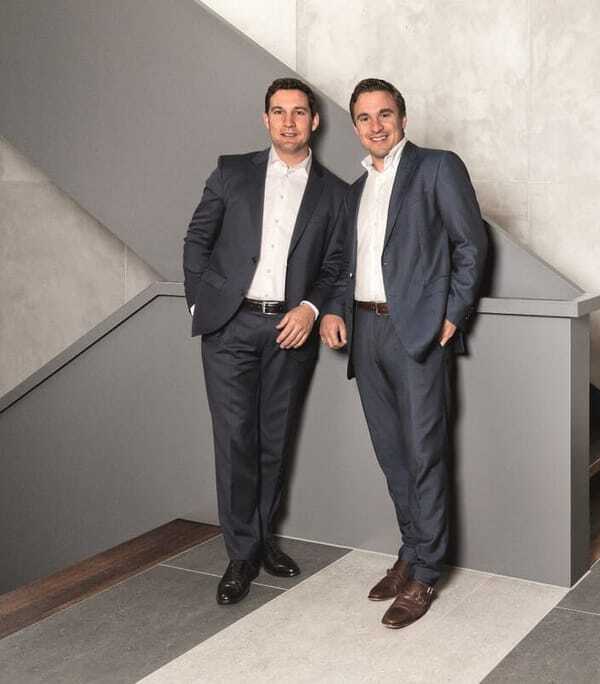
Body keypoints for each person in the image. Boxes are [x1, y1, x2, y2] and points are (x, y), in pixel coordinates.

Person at [320, 78, 488, 629]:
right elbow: (343, 264)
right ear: (355, 127)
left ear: (403, 118)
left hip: (416, 332)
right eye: (365, 118)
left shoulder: (437, 168)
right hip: (365, 333)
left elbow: (470, 244)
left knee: (425, 453)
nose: (376, 126)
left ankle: (427, 572)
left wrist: (452, 316)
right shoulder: (354, 190)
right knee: (392, 454)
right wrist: (335, 311)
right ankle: (410, 551)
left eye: (385, 114)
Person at [183, 77, 349, 605]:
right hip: (229, 326)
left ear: (314, 122)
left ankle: (261, 541)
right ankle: (241, 554)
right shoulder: (231, 172)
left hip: (290, 331)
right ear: (266, 119)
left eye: (298, 112)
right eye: (278, 111)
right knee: (236, 439)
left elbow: (336, 265)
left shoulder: (335, 192)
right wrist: (201, 305)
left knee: (274, 441)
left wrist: (310, 308)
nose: (288, 122)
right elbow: (197, 240)